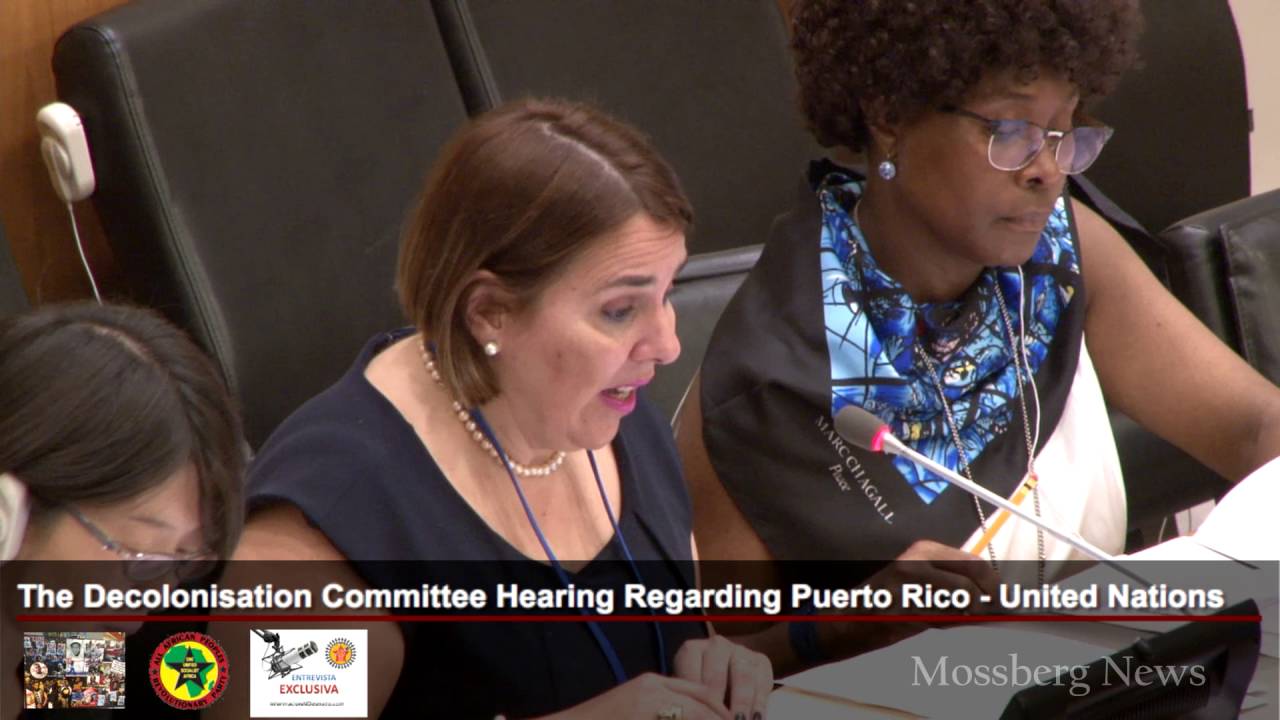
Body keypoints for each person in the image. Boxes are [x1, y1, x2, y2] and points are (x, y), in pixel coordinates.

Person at [678, 0, 1280, 651]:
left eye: (1065, 130)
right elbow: (719, 668)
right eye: (1010, 130)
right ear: (889, 115)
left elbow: (1254, 428)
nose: (1047, 170)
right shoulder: (760, 387)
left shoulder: (1060, 255)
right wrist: (849, 622)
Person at [229, 98, 776, 720]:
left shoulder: (625, 421)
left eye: (667, 292)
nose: (668, 344)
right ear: (490, 311)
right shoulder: (335, 516)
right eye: (620, 310)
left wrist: (713, 660)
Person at [0, 302, 246, 718]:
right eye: (140, 557)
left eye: (182, 561)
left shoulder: (75, 645)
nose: (137, 618)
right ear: (9, 514)